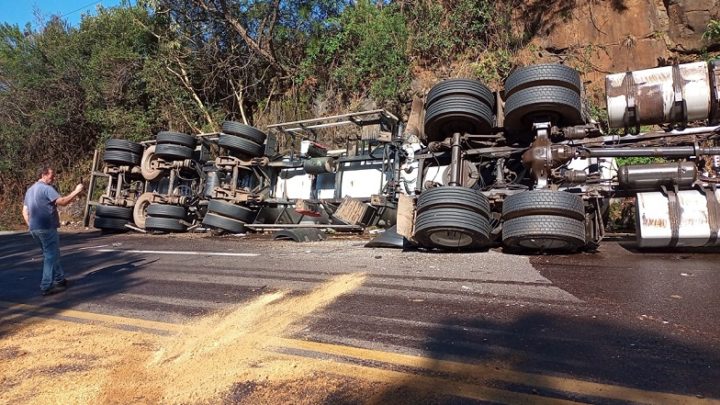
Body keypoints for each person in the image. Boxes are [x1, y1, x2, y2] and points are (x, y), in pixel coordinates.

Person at [22, 165, 84, 296]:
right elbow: (62, 202)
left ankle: (59, 279)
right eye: (52, 175)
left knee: (51, 253)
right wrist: (76, 191)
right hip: (46, 228)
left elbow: (24, 211)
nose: (54, 177)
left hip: (35, 229)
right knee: (50, 256)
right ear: (43, 175)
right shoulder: (46, 189)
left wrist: (31, 225)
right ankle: (46, 286)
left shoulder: (30, 190)